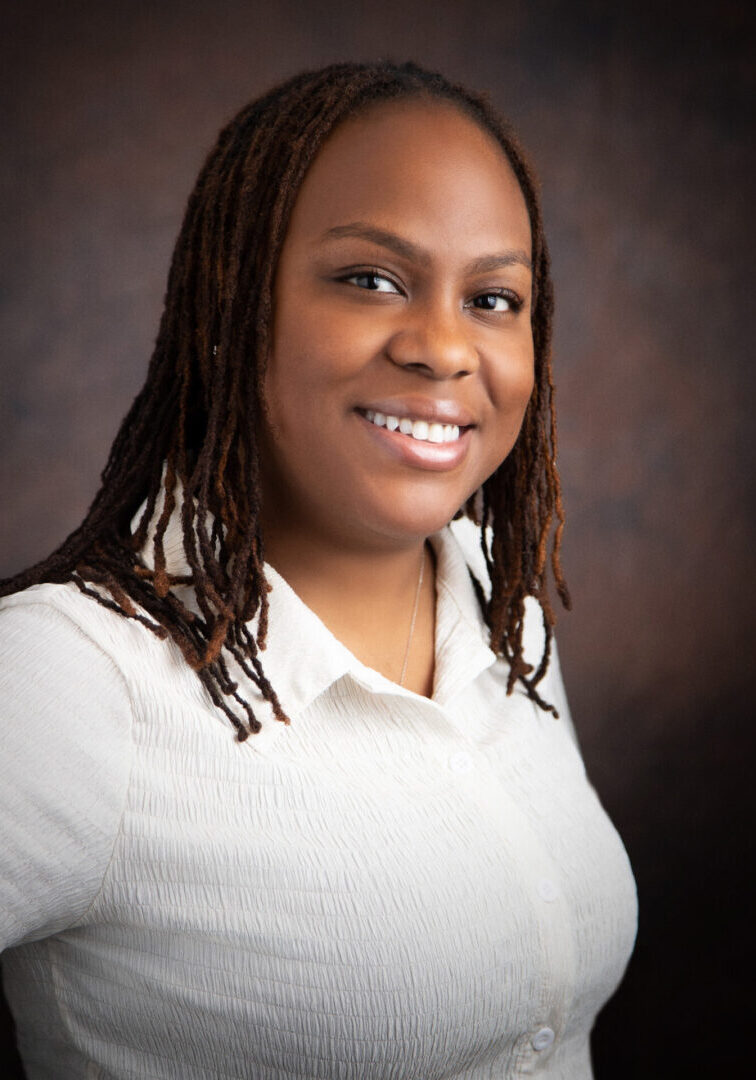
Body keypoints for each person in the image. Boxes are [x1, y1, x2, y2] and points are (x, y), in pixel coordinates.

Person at [0, 61, 637, 1079]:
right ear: (231, 307)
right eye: (370, 279)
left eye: (493, 297)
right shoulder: (71, 676)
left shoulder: (497, 601)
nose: (443, 348)